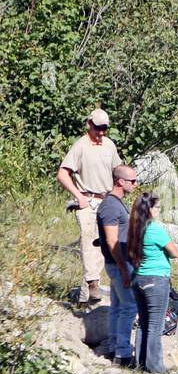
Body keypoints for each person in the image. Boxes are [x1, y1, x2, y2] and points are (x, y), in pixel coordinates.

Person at [57, 108, 124, 304]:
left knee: (103, 244)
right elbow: (62, 173)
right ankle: (93, 282)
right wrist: (78, 195)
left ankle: (86, 300)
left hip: (106, 200)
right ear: (89, 124)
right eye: (97, 128)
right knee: (88, 240)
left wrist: (116, 194)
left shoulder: (109, 145)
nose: (101, 132)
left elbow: (116, 171)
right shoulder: (80, 146)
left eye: (104, 128)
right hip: (87, 199)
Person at [125, 193, 178, 374]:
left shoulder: (133, 227)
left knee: (144, 322)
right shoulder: (154, 229)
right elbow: (174, 252)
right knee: (156, 325)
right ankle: (155, 367)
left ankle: (141, 363)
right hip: (156, 279)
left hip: (138, 277)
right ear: (148, 209)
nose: (159, 211)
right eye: (157, 207)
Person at [95, 165, 141, 366]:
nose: (135, 184)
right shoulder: (110, 206)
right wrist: (123, 268)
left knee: (117, 307)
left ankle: (114, 346)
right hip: (119, 264)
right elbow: (112, 240)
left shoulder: (115, 204)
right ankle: (122, 352)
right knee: (129, 308)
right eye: (132, 181)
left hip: (118, 263)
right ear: (120, 181)